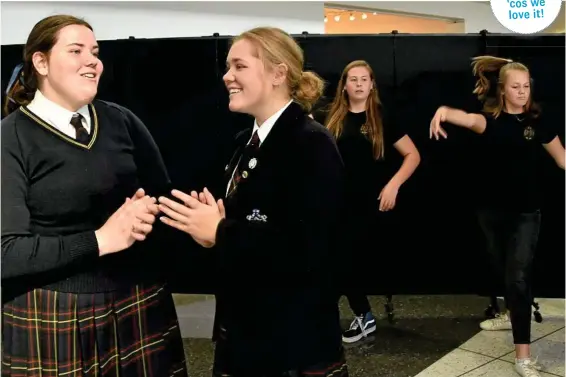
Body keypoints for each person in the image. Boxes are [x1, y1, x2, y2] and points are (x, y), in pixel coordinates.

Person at [1, 15, 188, 377]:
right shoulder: (11, 139)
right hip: (54, 317)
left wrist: (156, 214)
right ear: (41, 63)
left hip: (140, 302)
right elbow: (6, 253)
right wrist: (101, 240)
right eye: (76, 50)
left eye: (95, 51)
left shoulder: (122, 121)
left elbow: (163, 202)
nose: (93, 60)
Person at [157, 27, 348, 377]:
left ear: (278, 73)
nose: (227, 76)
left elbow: (311, 253)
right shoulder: (247, 142)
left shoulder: (311, 145)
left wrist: (221, 230)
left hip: (290, 345)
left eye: (239, 66)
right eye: (228, 67)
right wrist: (212, 229)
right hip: (249, 334)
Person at [430, 55, 565, 377]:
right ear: (503, 90)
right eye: (516, 87)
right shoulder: (487, 121)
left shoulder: (538, 122)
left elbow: (562, 159)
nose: (522, 92)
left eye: (527, 86)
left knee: (518, 278)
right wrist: (442, 112)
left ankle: (523, 357)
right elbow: (460, 117)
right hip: (490, 213)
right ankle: (512, 312)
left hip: (526, 214)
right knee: (502, 271)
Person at [323, 60, 420, 344]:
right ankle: (356, 316)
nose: (359, 84)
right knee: (334, 261)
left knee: (345, 261)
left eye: (364, 79)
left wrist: (393, 185)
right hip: (335, 202)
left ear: (372, 84)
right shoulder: (331, 118)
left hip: (367, 204)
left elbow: (413, 156)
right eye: (353, 79)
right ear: (344, 85)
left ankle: (363, 316)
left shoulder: (381, 118)